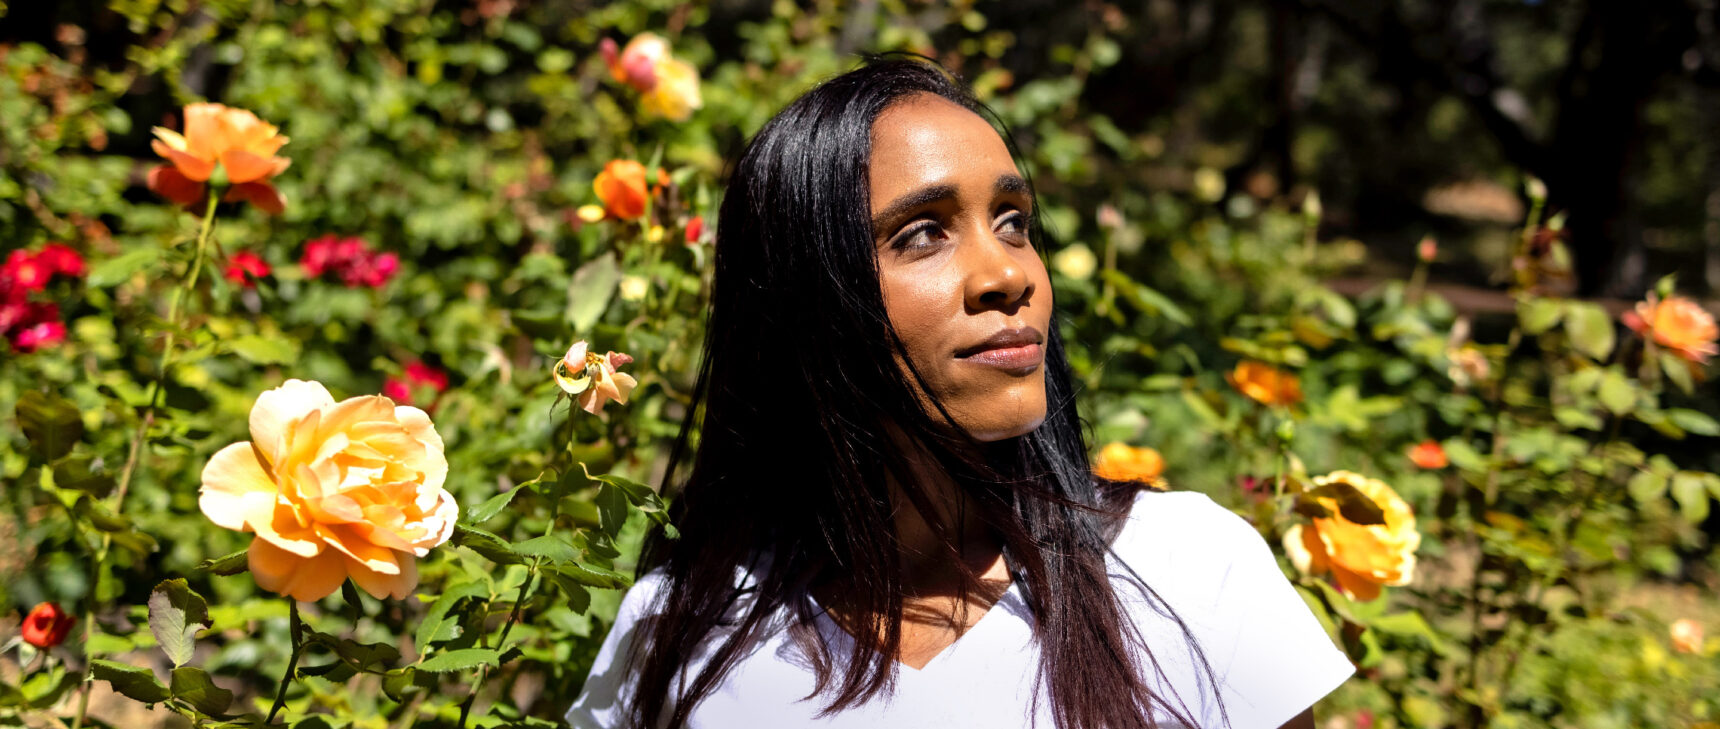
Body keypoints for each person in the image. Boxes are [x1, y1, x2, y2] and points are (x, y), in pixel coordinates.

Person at [566, 58, 1353, 729]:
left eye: (1012, 221)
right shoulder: (686, 634)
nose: (1009, 274)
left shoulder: (1192, 572)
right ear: (804, 302)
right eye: (922, 234)